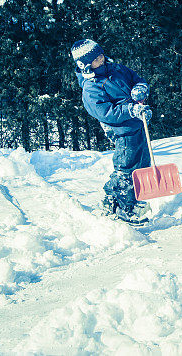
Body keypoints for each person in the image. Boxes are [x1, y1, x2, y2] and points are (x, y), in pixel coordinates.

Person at [71, 39, 153, 225]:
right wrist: (131, 110)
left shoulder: (115, 68)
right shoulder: (91, 87)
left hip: (137, 125)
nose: (101, 58)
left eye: (100, 54)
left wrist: (140, 88)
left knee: (141, 164)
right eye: (96, 58)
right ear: (85, 65)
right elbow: (106, 113)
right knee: (126, 168)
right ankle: (125, 209)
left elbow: (135, 77)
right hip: (121, 131)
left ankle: (115, 200)